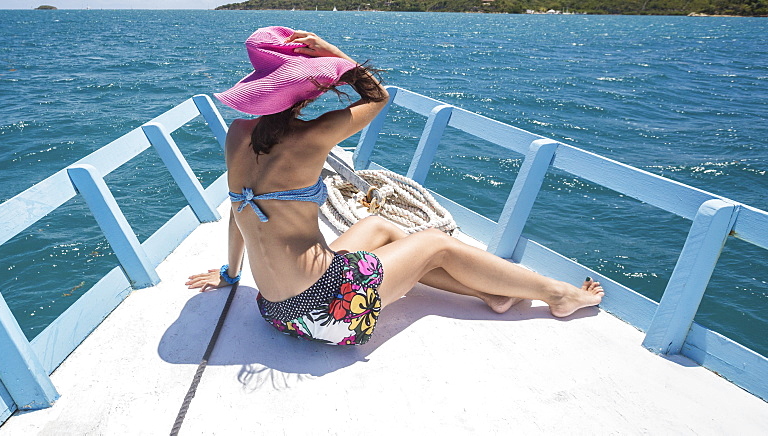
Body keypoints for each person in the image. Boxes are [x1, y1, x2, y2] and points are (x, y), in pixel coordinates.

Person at [186, 26, 603, 345]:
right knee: (434, 244)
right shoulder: (313, 136)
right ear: (306, 89)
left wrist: (229, 274)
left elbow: (241, 212)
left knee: (380, 227)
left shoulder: (238, 134)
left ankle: (490, 294)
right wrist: (335, 55)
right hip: (331, 314)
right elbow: (378, 96)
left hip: (277, 311)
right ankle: (559, 294)